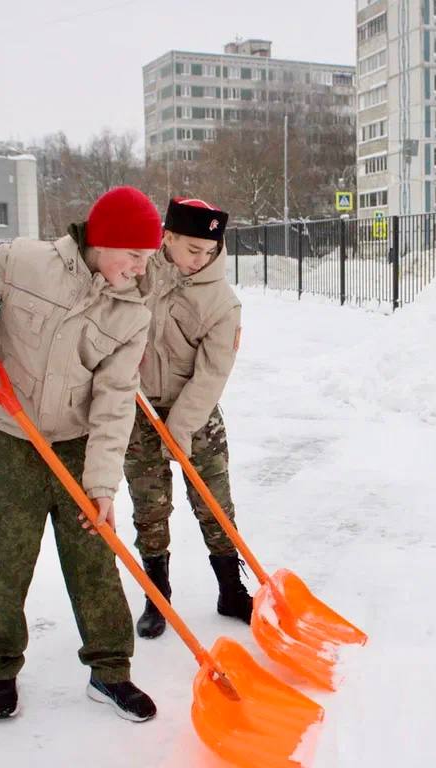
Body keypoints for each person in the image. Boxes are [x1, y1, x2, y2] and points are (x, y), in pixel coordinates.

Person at [0, 185, 162, 724]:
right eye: (134, 255)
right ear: (103, 241)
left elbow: (115, 402)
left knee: (94, 559)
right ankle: (0, 669)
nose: (142, 269)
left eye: (148, 257)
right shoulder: (25, 261)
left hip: (77, 446)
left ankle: (110, 671)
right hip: (10, 442)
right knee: (7, 560)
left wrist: (102, 486)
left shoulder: (132, 313)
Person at [121, 197, 252, 639]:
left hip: (196, 415)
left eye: (210, 251)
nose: (202, 259)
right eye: (193, 249)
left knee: (214, 505)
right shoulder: (138, 273)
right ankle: (157, 597)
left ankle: (231, 590)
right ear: (167, 237)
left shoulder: (222, 302)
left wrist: (178, 429)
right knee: (149, 507)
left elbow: (212, 374)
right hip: (139, 408)